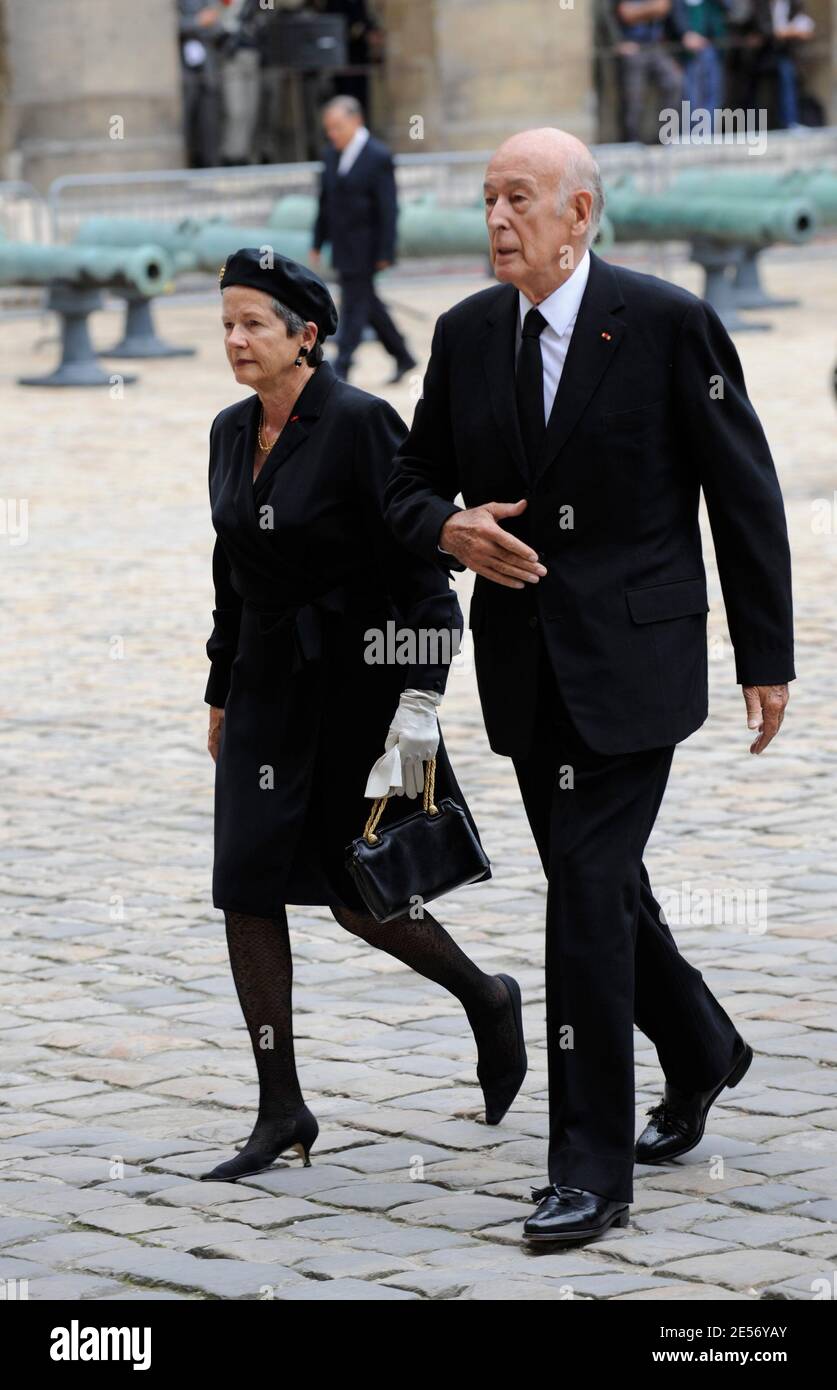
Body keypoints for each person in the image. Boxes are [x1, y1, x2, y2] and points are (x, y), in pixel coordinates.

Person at [383, 128, 794, 1245]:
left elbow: (741, 490)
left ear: (583, 213)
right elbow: (411, 482)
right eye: (485, 201)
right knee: (600, 885)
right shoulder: (468, 334)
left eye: (520, 199)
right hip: (527, 670)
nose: (498, 221)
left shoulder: (666, 322)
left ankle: (589, 1170)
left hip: (637, 661)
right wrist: (450, 528)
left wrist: (767, 653)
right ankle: (704, 1045)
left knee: (582, 899)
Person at [199, 248, 526, 1183]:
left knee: (360, 898)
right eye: (225, 323)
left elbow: (427, 578)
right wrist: (220, 686)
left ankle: (486, 995)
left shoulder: (359, 424)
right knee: (245, 889)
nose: (234, 339)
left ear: (306, 336)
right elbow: (233, 574)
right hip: (266, 687)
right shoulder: (228, 432)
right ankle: (281, 1108)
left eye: (253, 323)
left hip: (359, 692)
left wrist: (420, 702)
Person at [310, 95, 417, 384]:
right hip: (343, 246)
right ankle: (403, 355)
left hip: (368, 247)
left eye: (337, 127)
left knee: (354, 305)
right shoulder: (330, 155)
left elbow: (388, 208)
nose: (332, 134)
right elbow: (325, 201)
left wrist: (386, 251)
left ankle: (342, 364)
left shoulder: (378, 156)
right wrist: (318, 241)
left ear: (356, 121)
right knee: (367, 303)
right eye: (328, 129)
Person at [612, 0, 684, 142]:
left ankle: (666, 137)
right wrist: (651, 9)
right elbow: (626, 14)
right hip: (632, 46)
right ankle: (631, 140)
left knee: (675, 82)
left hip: (656, 46)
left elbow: (664, 8)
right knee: (634, 98)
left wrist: (640, 11)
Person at [178, 0, 229, 169]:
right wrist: (198, 23)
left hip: (208, 70)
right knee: (185, 119)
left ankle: (212, 164)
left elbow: (219, 26)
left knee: (210, 119)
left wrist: (202, 24)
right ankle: (188, 162)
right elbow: (168, 25)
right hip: (184, 72)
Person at [672, 0, 728, 127]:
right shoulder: (679, 5)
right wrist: (685, 33)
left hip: (713, 48)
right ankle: (694, 132)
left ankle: (709, 133)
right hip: (687, 53)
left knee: (713, 96)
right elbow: (675, 17)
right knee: (691, 97)